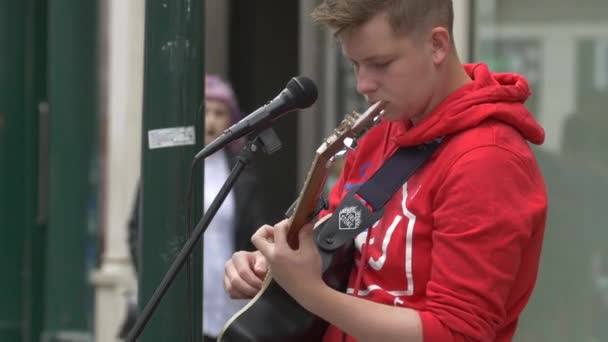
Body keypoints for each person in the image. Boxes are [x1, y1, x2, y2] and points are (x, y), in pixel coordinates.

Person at [223, 1, 548, 341]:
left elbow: (457, 333)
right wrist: (274, 267)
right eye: (355, 64)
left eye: (380, 64)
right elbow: (338, 248)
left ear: (437, 45)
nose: (364, 84)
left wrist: (310, 294)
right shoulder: (382, 129)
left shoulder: (488, 161)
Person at [202, 74, 269, 342]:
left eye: (219, 113)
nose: (211, 121)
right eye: (205, 111)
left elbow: (255, 229)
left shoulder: (241, 171)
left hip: (227, 284)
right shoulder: (172, 166)